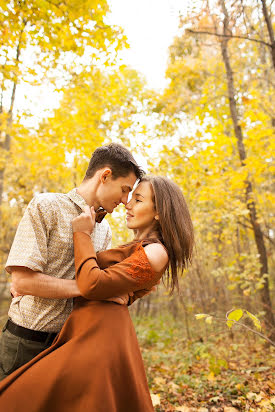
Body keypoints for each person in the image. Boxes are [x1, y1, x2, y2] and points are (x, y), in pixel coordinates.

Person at [0, 176, 194, 412]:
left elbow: (93, 283)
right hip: (82, 333)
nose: (128, 204)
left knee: (21, 398)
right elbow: (100, 282)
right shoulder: (134, 247)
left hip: (100, 339)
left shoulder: (156, 251)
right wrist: (31, 282)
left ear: (159, 213)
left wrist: (82, 233)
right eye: (129, 196)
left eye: (138, 199)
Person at [0, 143, 143, 382]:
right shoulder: (46, 206)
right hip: (25, 343)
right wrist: (91, 286)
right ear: (105, 176)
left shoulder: (104, 229)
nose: (125, 200)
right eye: (124, 189)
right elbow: (22, 281)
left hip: (68, 346)